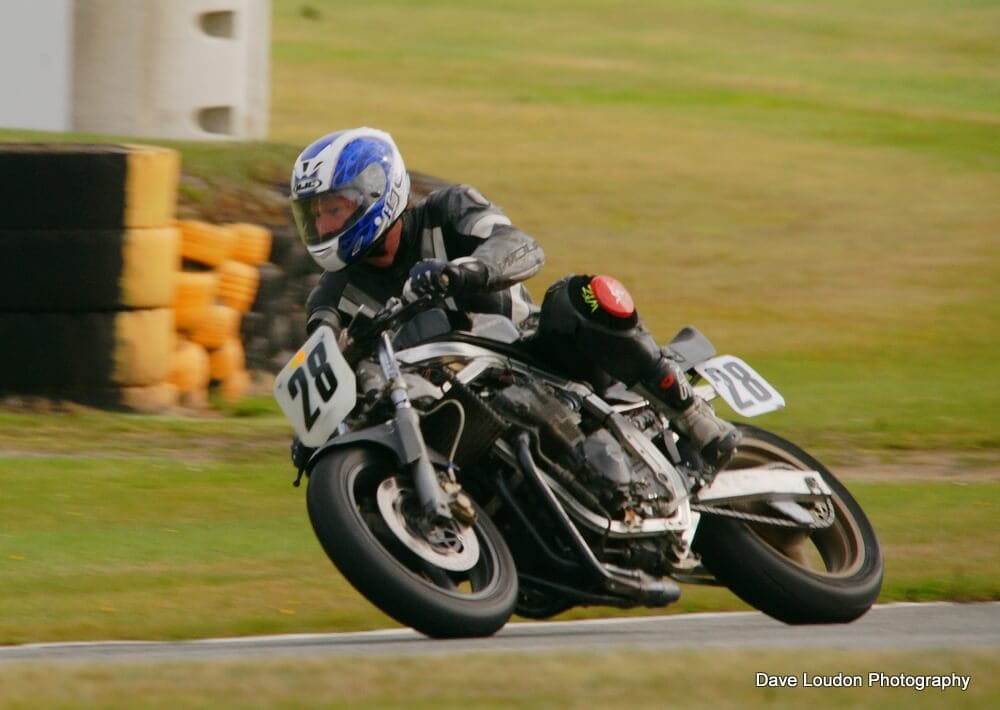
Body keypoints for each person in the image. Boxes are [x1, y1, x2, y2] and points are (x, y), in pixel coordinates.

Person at [289, 127, 740, 472]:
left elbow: (518, 244)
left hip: (535, 357)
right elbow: (321, 350)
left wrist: (463, 272)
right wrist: (311, 429)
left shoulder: (446, 209)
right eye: (317, 215)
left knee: (579, 294)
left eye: (334, 209)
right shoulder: (334, 292)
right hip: (447, 400)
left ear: (373, 192)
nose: (325, 227)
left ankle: (690, 412)